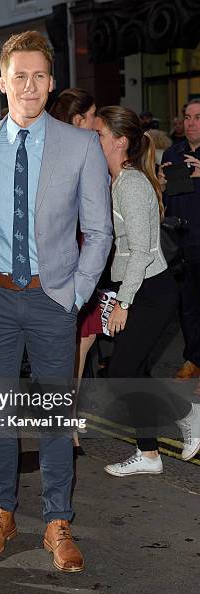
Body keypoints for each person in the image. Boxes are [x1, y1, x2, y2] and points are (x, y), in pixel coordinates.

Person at [0, 31, 112, 572]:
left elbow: (98, 232)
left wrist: (73, 295)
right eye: (18, 75)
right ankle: (1, 511)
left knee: (53, 415)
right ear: (1, 82)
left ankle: (57, 520)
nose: (29, 85)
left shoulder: (82, 145)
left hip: (52, 301)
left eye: (39, 76)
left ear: (52, 83)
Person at [94, 105, 200, 476]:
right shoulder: (115, 181)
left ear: (120, 142)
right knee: (133, 369)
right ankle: (149, 453)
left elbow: (141, 250)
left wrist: (122, 302)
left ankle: (189, 415)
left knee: (122, 371)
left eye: (99, 134)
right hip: (139, 287)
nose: (94, 140)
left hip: (152, 291)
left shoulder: (132, 183)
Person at [49, 88, 102, 386]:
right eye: (93, 116)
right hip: (75, 256)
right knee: (77, 343)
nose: (97, 122)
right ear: (79, 119)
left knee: (83, 339)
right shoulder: (76, 152)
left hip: (81, 255)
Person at [159, 99, 200, 387]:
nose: (190, 123)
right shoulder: (172, 153)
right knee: (187, 306)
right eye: (187, 117)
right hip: (180, 246)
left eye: (197, 118)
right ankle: (193, 359)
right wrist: (159, 184)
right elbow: (163, 203)